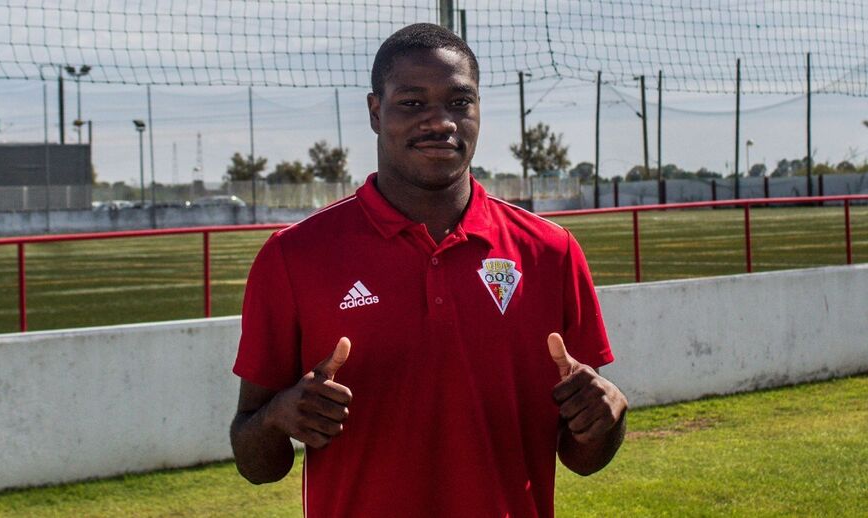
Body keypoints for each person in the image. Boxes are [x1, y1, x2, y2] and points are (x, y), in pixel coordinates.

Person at [230, 23, 628, 518]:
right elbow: (255, 461)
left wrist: (609, 418)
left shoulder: (551, 252)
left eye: (459, 102)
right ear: (375, 112)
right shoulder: (293, 256)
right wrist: (277, 417)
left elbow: (583, 456)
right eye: (412, 103)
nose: (440, 122)